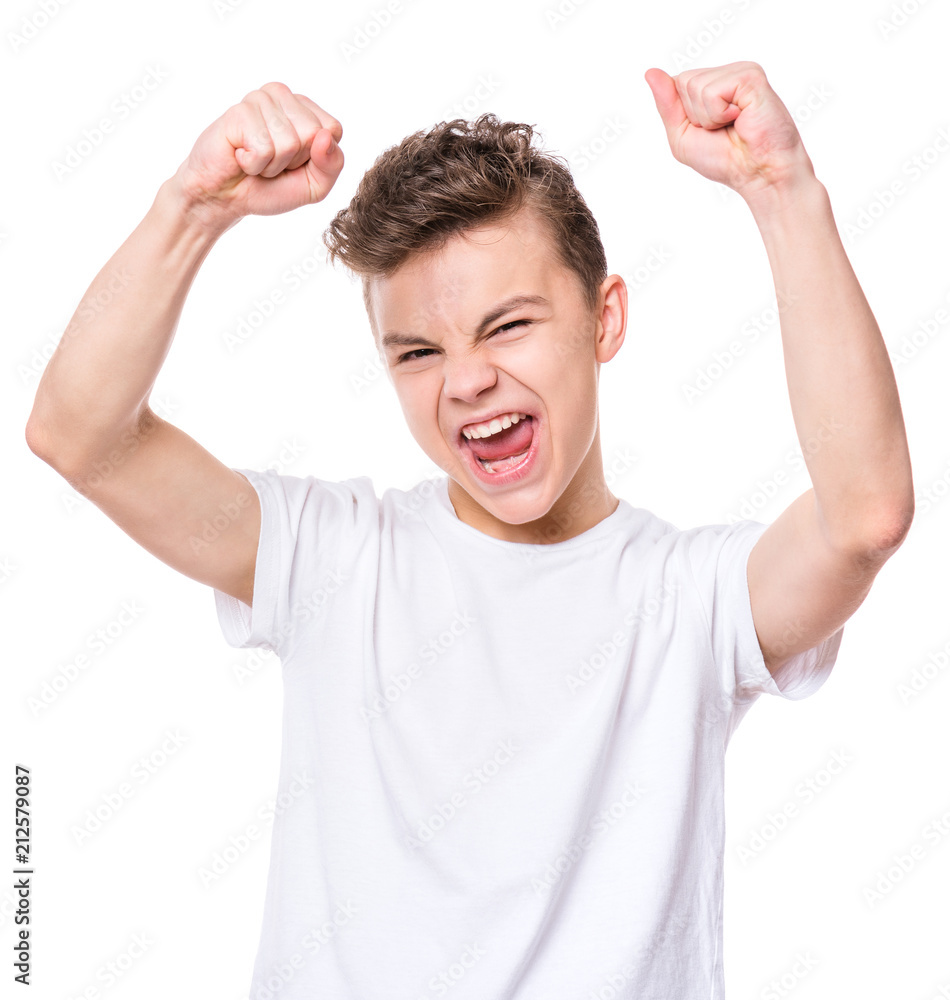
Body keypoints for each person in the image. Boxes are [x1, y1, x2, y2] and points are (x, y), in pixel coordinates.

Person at [25, 61, 914, 999]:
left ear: (604, 318)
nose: (467, 382)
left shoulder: (691, 600)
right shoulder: (334, 557)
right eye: (418, 351)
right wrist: (193, 206)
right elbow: (79, 435)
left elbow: (864, 518)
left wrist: (782, 191)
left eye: (508, 326)